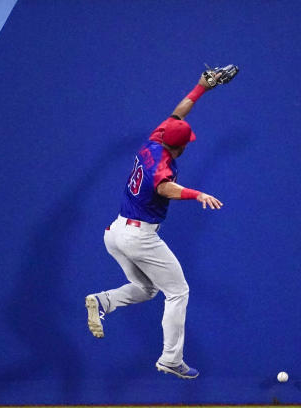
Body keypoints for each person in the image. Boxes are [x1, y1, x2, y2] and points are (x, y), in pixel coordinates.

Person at [86, 71, 227, 380]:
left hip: (115, 232)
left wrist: (202, 87)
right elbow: (164, 188)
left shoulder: (155, 140)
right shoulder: (162, 166)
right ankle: (170, 359)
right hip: (140, 238)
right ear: (183, 147)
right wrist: (197, 193)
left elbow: (178, 112)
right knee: (178, 292)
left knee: (147, 288)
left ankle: (102, 301)